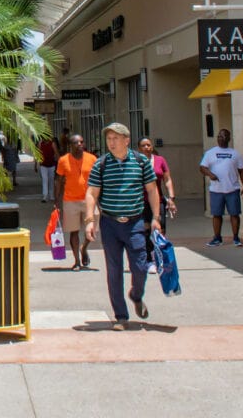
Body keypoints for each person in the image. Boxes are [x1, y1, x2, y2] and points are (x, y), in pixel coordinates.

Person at [85, 122, 160, 330]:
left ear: (126, 140)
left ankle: (136, 295)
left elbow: (152, 190)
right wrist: (90, 220)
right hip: (110, 223)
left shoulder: (140, 162)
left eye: (115, 138)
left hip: (135, 222)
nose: (111, 142)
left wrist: (155, 217)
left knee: (140, 267)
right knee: (114, 270)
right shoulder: (101, 164)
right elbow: (91, 193)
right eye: (109, 139)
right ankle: (121, 316)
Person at [199, 129, 243, 247]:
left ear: (229, 138)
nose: (221, 138)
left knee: (234, 214)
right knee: (216, 214)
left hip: (232, 189)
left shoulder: (235, 154)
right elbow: (202, 167)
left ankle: (236, 238)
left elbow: (242, 171)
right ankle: (217, 238)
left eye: (224, 136)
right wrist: (211, 175)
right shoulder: (210, 153)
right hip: (216, 190)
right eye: (219, 136)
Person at [55, 133, 95, 270]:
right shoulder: (63, 160)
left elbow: (98, 180)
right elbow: (58, 181)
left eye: (81, 142)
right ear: (70, 146)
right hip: (70, 200)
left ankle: (84, 249)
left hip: (89, 200)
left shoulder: (92, 159)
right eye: (76, 143)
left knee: (92, 230)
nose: (80, 145)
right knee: (74, 231)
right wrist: (56, 200)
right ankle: (77, 261)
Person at [139, 137, 176, 273]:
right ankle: (149, 260)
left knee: (160, 230)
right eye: (143, 146)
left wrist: (171, 197)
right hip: (142, 201)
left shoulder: (160, 160)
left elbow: (167, 179)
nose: (147, 147)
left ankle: (160, 258)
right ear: (139, 148)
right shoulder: (136, 162)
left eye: (148, 145)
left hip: (158, 200)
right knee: (146, 230)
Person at [37, 134, 59, 203]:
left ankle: (51, 195)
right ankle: (45, 196)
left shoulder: (52, 144)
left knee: (51, 180)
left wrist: (59, 163)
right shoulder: (40, 143)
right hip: (43, 165)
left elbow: (56, 153)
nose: (44, 138)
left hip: (51, 165)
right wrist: (35, 164)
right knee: (45, 179)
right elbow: (37, 154)